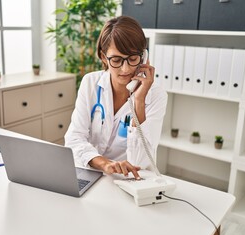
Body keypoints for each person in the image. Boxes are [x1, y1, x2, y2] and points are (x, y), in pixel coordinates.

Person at [64, 16, 167, 180]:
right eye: (117, 60)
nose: (125, 69)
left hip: (131, 179)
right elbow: (74, 139)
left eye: (133, 59)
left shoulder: (156, 96)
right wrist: (105, 164)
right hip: (92, 171)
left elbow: (141, 160)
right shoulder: (90, 82)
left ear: (144, 57)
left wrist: (139, 102)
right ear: (104, 57)